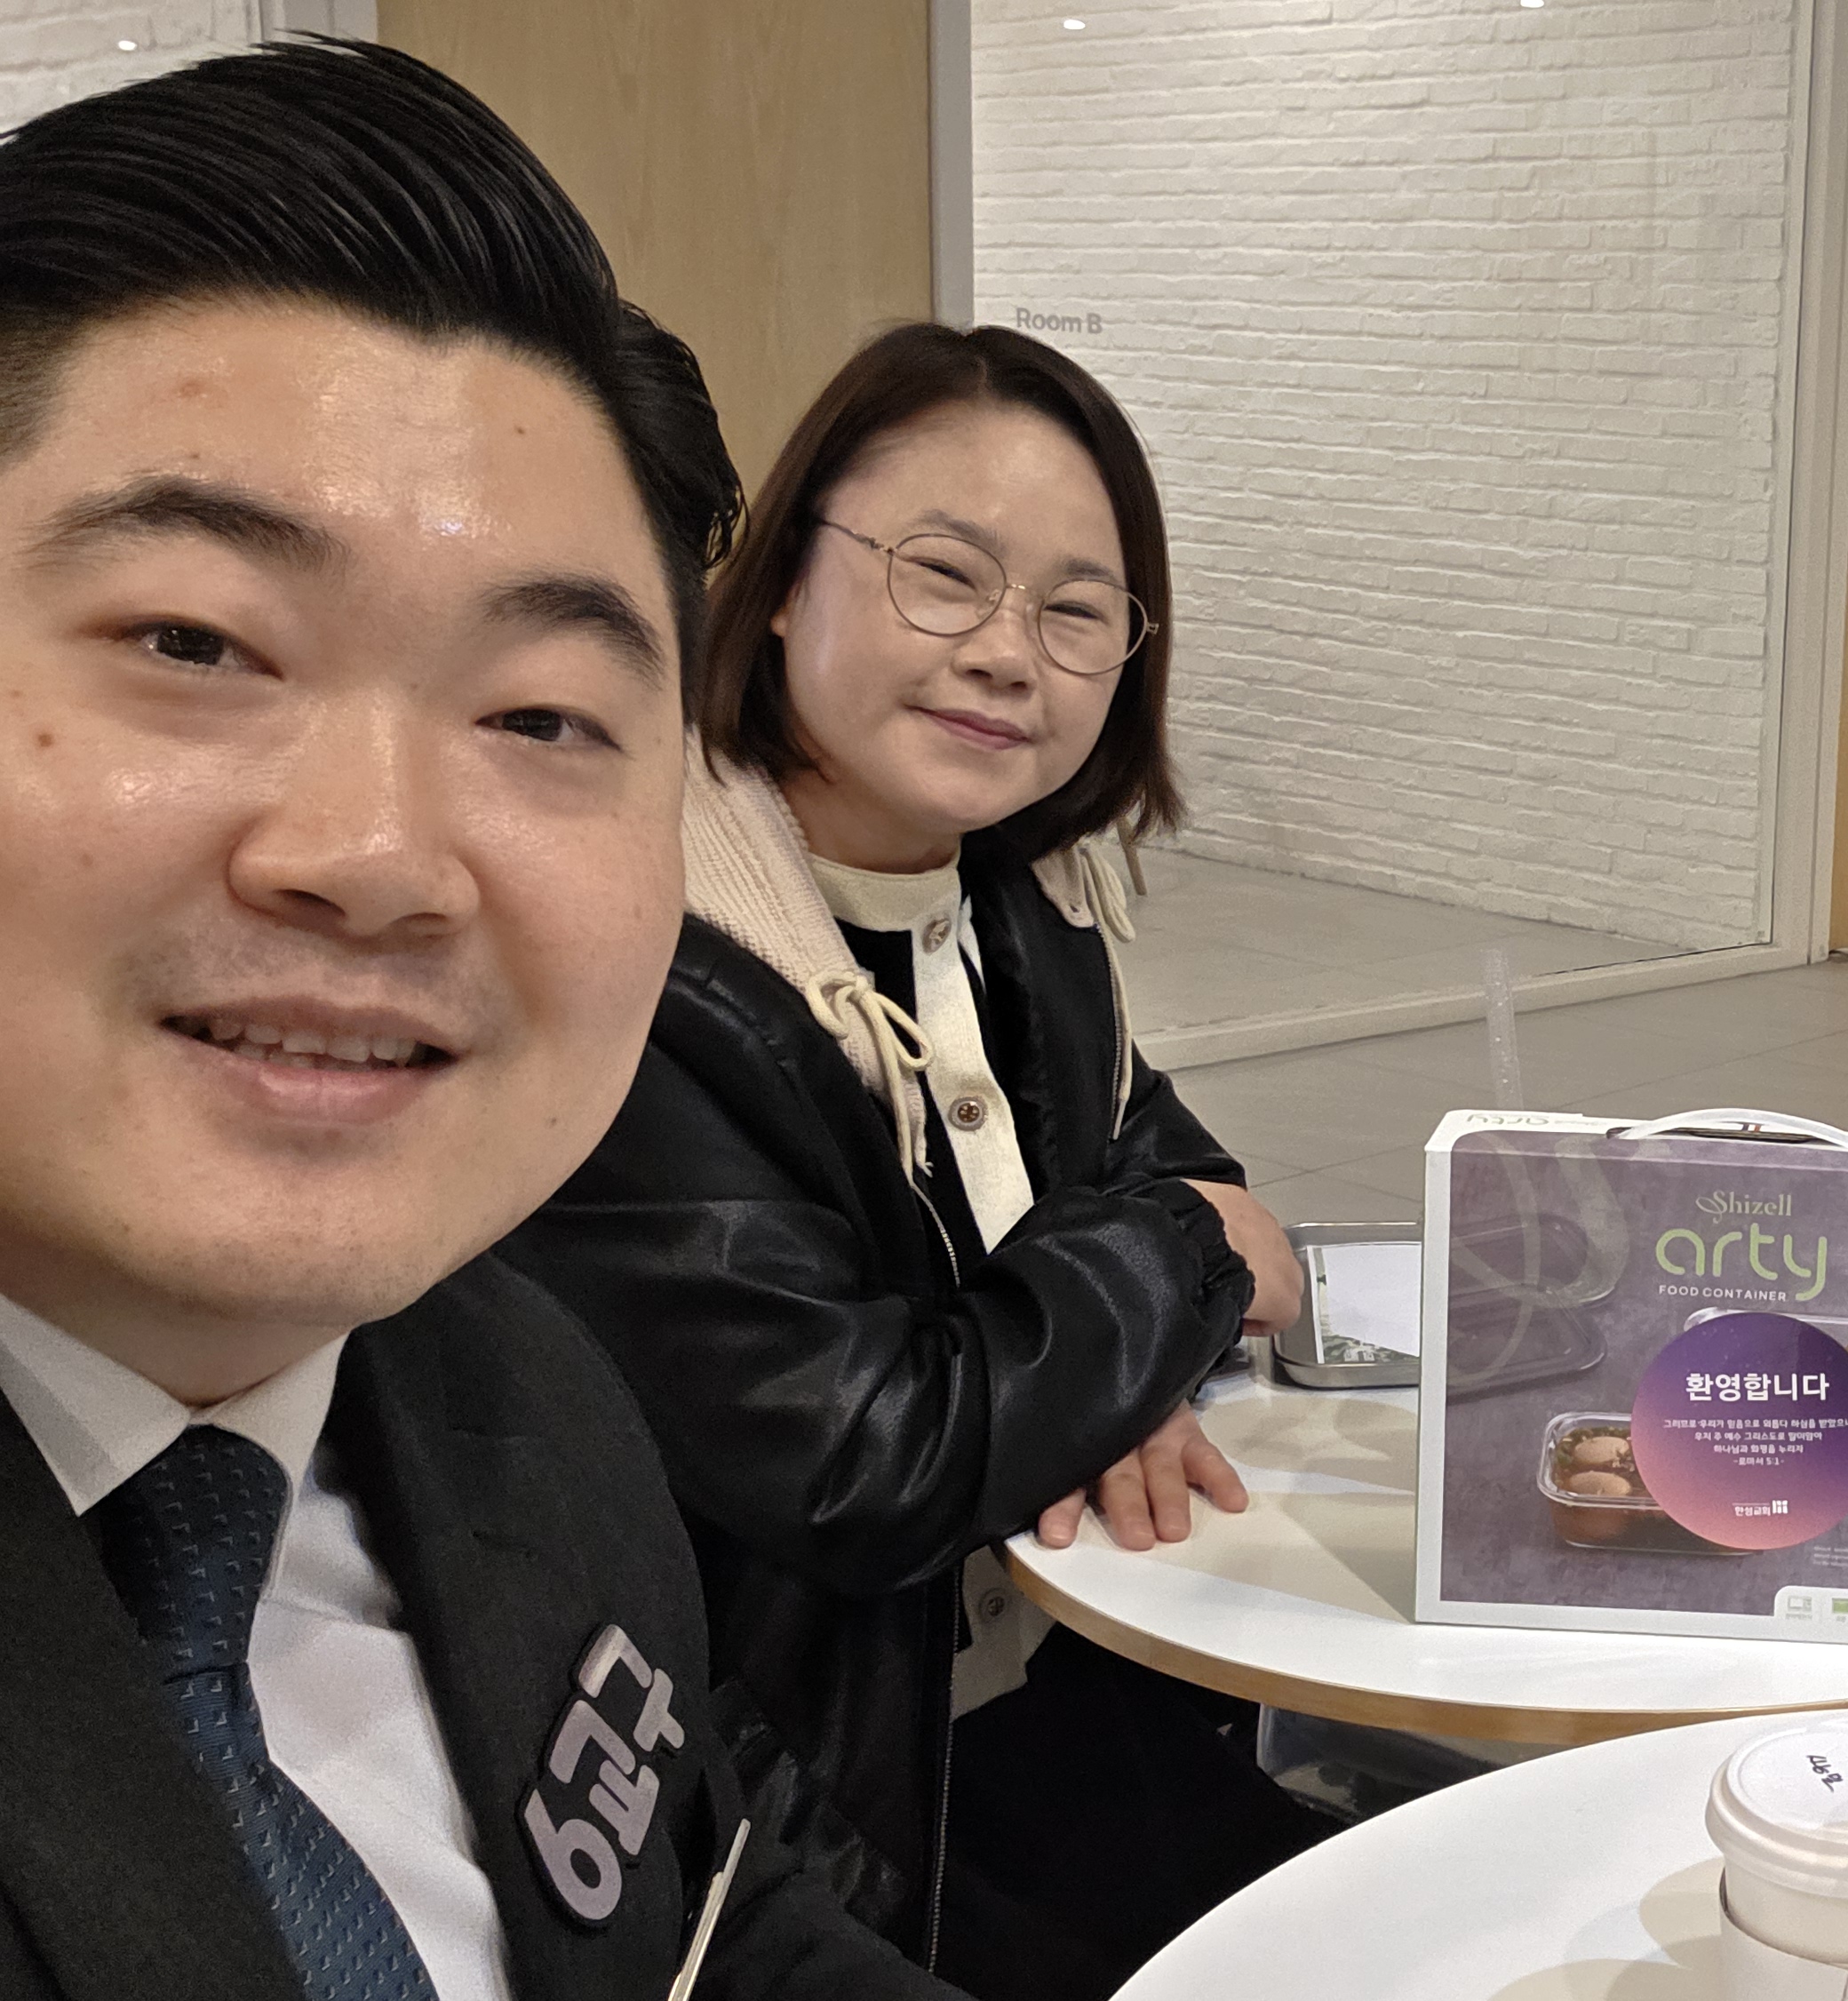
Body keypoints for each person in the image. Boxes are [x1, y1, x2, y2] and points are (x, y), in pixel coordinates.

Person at [0, 39, 961, 2001]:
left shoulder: (518, 1394)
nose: (378, 856)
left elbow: (715, 1919)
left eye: (541, 715)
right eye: (193, 641)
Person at [502, 323, 1326, 2000]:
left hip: (1051, 1692)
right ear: (784, 578)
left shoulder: (1017, 900)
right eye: (944, 575)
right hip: (803, 1816)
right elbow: (869, 1453)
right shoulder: (648, 962)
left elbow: (1150, 1152)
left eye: (1078, 612)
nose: (1008, 655)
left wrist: (1102, 1359)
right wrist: (1162, 1288)